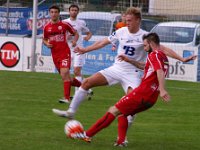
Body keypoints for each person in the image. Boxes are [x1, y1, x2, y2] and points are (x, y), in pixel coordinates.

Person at [52, 7, 196, 144]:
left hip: (133, 74)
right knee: (87, 82)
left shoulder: (144, 36)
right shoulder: (121, 31)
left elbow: (163, 49)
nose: (127, 23)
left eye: (130, 20)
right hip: (117, 68)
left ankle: (122, 138)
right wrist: (85, 50)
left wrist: (181, 59)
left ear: (138, 20)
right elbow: (103, 42)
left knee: (130, 108)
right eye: (126, 20)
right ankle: (71, 111)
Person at [67, 32, 171, 146]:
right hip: (151, 99)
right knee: (123, 114)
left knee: (113, 110)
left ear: (151, 43)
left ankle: (87, 135)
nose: (144, 48)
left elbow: (159, 71)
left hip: (142, 93)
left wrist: (162, 89)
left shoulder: (154, 55)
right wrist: (129, 60)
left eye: (145, 45)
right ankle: (121, 141)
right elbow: (146, 66)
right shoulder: (163, 56)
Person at [43, 5, 80, 103]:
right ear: (49, 13)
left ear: (59, 13)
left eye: (55, 12)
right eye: (52, 12)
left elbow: (75, 33)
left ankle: (66, 98)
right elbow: (44, 39)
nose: (54, 14)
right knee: (67, 78)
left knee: (64, 74)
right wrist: (47, 43)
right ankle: (85, 87)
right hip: (55, 55)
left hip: (64, 53)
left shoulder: (64, 24)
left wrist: (74, 41)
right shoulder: (47, 27)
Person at [59, 4, 93, 103]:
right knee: (67, 73)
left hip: (79, 50)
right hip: (67, 51)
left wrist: (87, 37)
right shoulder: (64, 22)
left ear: (78, 12)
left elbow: (89, 33)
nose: (73, 12)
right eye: (72, 10)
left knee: (77, 71)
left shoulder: (81, 22)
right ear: (69, 11)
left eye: (75, 10)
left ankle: (77, 94)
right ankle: (87, 88)